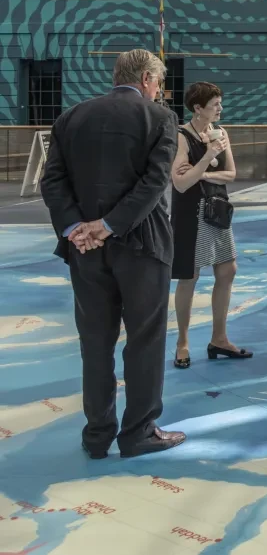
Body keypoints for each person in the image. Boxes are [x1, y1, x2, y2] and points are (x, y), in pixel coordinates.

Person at [39, 49, 187, 458]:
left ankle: (97, 435)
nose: (159, 92)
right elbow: (156, 181)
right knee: (144, 338)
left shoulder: (72, 117)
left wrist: (77, 229)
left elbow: (52, 182)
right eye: (158, 84)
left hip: (84, 250)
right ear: (146, 79)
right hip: (143, 246)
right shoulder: (160, 119)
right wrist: (109, 226)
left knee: (95, 341)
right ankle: (138, 433)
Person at [169, 81, 250, 369]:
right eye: (215, 105)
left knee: (228, 269)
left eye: (219, 103)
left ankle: (219, 338)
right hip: (190, 212)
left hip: (217, 207)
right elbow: (179, 183)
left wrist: (201, 174)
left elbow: (230, 174)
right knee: (189, 276)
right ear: (197, 108)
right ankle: (182, 342)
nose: (220, 109)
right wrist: (206, 157)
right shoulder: (181, 136)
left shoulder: (221, 133)